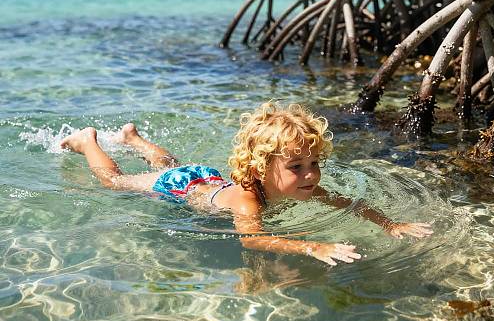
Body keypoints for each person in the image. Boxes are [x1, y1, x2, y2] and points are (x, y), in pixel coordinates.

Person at [60, 102, 432, 265]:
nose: (311, 175)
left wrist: (390, 224)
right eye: (298, 166)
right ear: (260, 168)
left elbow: (348, 202)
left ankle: (134, 139)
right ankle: (88, 141)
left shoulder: (303, 187)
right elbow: (251, 240)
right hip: (180, 188)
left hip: (207, 178)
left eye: (314, 163)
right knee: (116, 181)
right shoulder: (248, 204)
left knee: (170, 162)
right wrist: (311, 248)